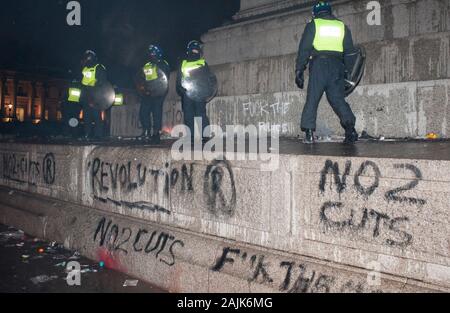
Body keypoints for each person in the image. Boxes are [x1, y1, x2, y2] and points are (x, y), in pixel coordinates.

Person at [295, 1, 358, 144]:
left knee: (313, 98)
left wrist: (299, 69)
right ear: (329, 11)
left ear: (316, 12)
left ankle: (309, 133)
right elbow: (349, 53)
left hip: (319, 65)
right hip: (337, 66)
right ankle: (350, 129)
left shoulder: (314, 24)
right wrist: (348, 73)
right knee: (337, 99)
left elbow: (304, 48)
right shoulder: (341, 26)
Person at [176, 40, 210, 142]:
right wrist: (182, 91)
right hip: (191, 93)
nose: (194, 52)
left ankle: (200, 135)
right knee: (192, 114)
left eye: (195, 50)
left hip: (194, 93)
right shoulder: (187, 63)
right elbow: (179, 80)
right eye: (194, 50)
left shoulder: (200, 63)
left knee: (196, 114)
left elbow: (208, 79)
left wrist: (205, 92)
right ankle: (195, 136)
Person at [138, 44, 170, 143]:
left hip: (158, 92)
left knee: (156, 113)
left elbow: (165, 78)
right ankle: (146, 130)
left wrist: (160, 91)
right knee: (143, 112)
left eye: (153, 52)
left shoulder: (163, 63)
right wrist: (142, 89)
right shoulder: (146, 65)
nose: (152, 54)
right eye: (150, 53)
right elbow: (141, 78)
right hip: (148, 93)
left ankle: (156, 132)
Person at [80, 50, 107, 140]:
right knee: (86, 117)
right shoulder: (85, 68)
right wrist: (82, 96)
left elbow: (101, 82)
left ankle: (98, 135)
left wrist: (95, 95)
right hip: (86, 95)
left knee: (96, 116)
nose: (85, 60)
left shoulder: (99, 67)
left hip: (95, 95)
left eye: (87, 58)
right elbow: (83, 83)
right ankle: (87, 134)